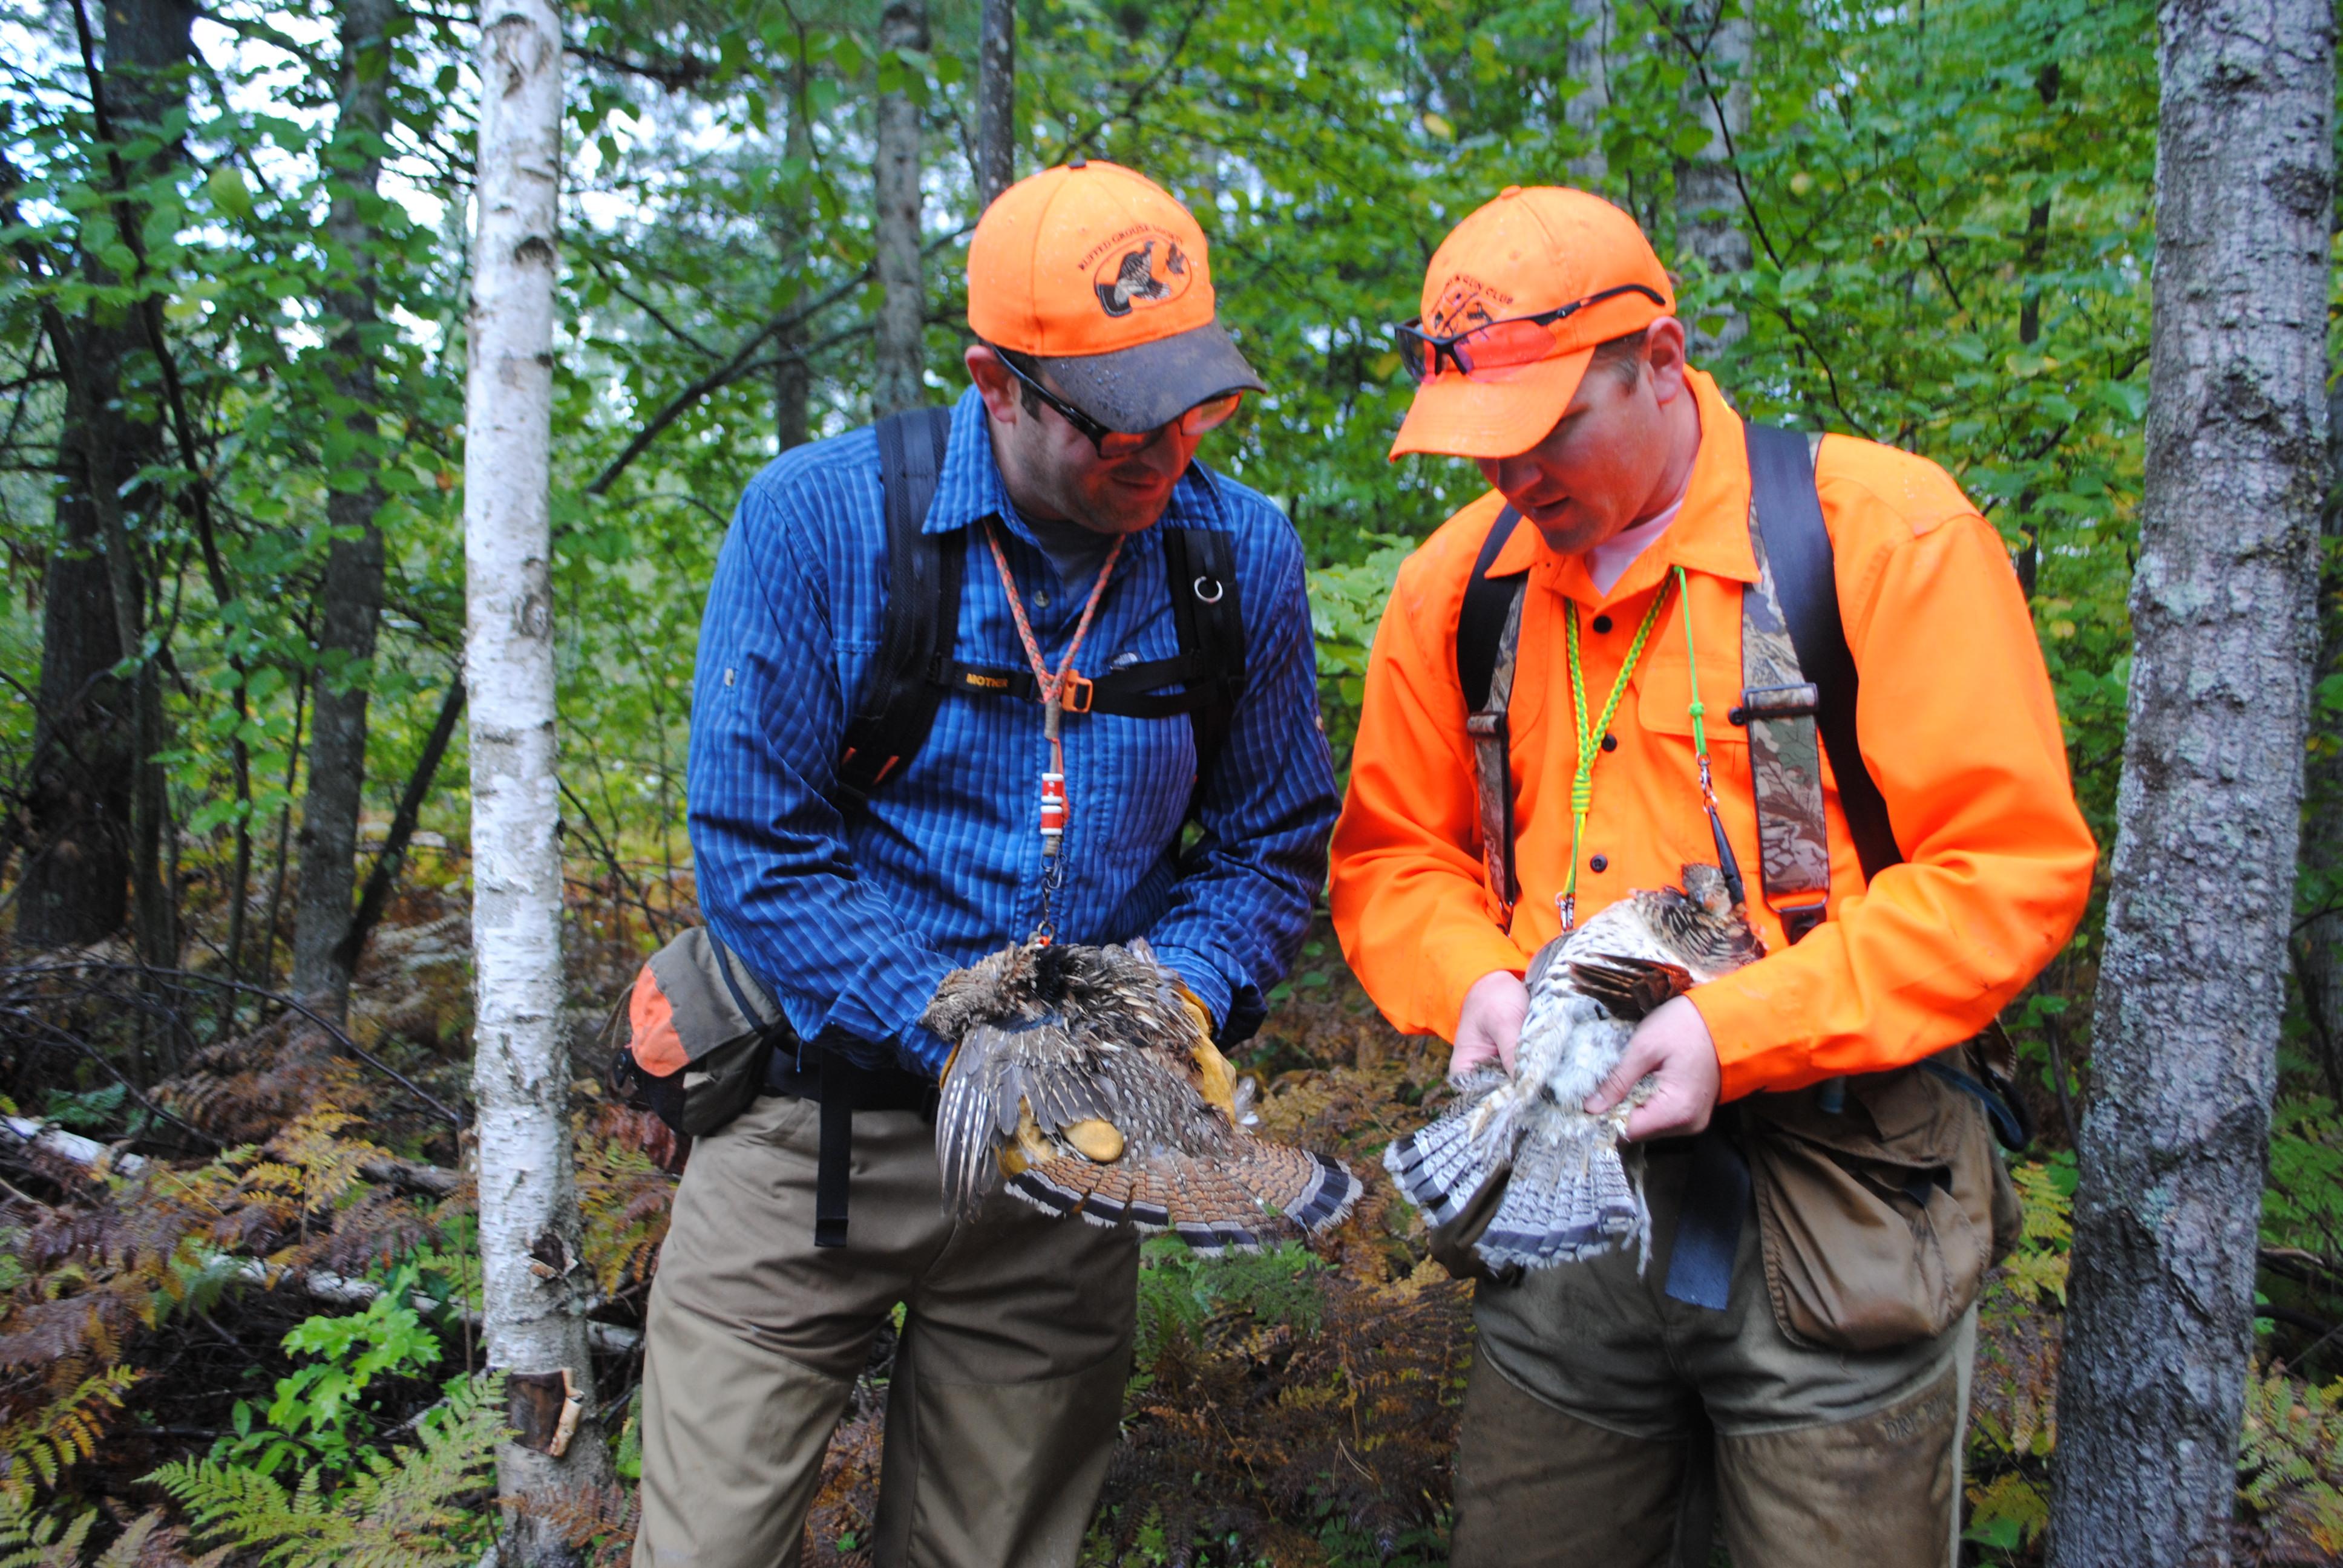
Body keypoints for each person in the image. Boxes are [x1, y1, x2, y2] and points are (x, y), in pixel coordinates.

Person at [1328, 186, 2096, 1566]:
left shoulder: (1872, 535)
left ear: (1664, 362)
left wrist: (1730, 1033)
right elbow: (1394, 857)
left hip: (1840, 1198)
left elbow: (2006, 871)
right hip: (1558, 1202)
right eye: (1481, 446)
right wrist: (1474, 983)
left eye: (1548, 428)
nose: (1512, 478)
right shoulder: (1462, 588)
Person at [635, 160, 1339, 1568]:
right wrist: (971, 1034)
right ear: (997, 383)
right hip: (813, 1136)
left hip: (1069, 1171)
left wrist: (1161, 1005)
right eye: (1116, 421)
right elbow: (755, 850)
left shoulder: (1234, 555)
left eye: (1194, 406)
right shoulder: (824, 521)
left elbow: (1271, 842)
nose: (1163, 450)